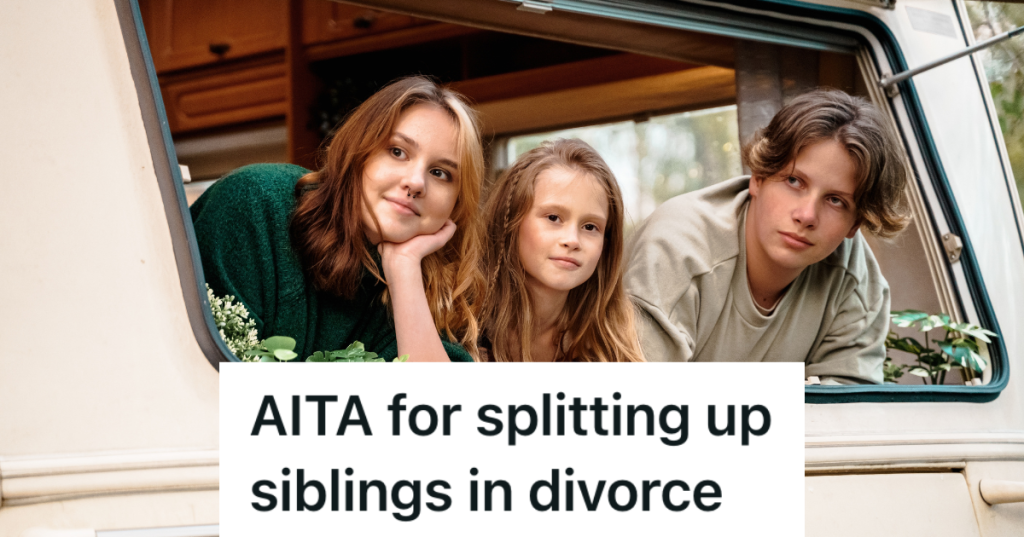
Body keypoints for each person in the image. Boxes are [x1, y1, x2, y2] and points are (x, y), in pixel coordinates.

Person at [624, 89, 910, 383]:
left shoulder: (856, 282)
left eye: (836, 200)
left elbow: (847, 415)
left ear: (855, 225)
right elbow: (642, 402)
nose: (807, 215)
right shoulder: (677, 247)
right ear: (758, 178)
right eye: (794, 181)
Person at [191, 76, 485, 362]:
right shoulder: (255, 204)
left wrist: (403, 268)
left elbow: (441, 406)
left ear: (455, 205)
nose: (416, 181)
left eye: (440, 173)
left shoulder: (439, 288)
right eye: (397, 151)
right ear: (357, 152)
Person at [479, 139, 644, 362]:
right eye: (554, 218)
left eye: (590, 227)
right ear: (509, 223)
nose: (572, 240)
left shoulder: (612, 340)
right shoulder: (459, 320)